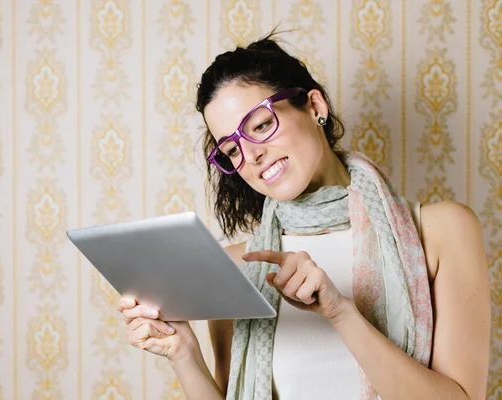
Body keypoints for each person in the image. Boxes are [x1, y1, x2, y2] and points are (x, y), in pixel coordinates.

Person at [116, 33, 491, 399]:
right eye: (232, 149)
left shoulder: (442, 231)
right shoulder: (235, 268)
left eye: (261, 126)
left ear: (315, 107)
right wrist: (185, 355)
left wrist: (341, 314)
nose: (252, 155)